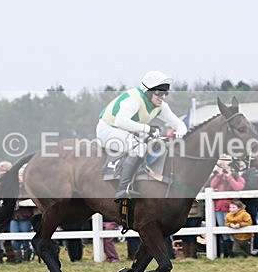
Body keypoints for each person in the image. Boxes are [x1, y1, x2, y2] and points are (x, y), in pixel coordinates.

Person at [96, 70, 187, 200]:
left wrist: (180, 134)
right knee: (140, 147)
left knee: (155, 144)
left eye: (166, 93)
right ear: (148, 91)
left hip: (127, 131)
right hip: (108, 128)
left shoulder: (161, 106)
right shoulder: (134, 100)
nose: (163, 96)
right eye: (160, 92)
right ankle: (122, 189)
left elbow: (179, 124)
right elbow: (120, 121)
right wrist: (147, 128)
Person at [209, 157, 245, 258]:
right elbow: (212, 185)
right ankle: (227, 253)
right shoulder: (221, 179)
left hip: (231, 209)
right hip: (219, 208)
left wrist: (229, 177)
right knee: (222, 231)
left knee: (231, 230)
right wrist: (220, 175)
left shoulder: (239, 179)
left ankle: (234, 252)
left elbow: (238, 188)